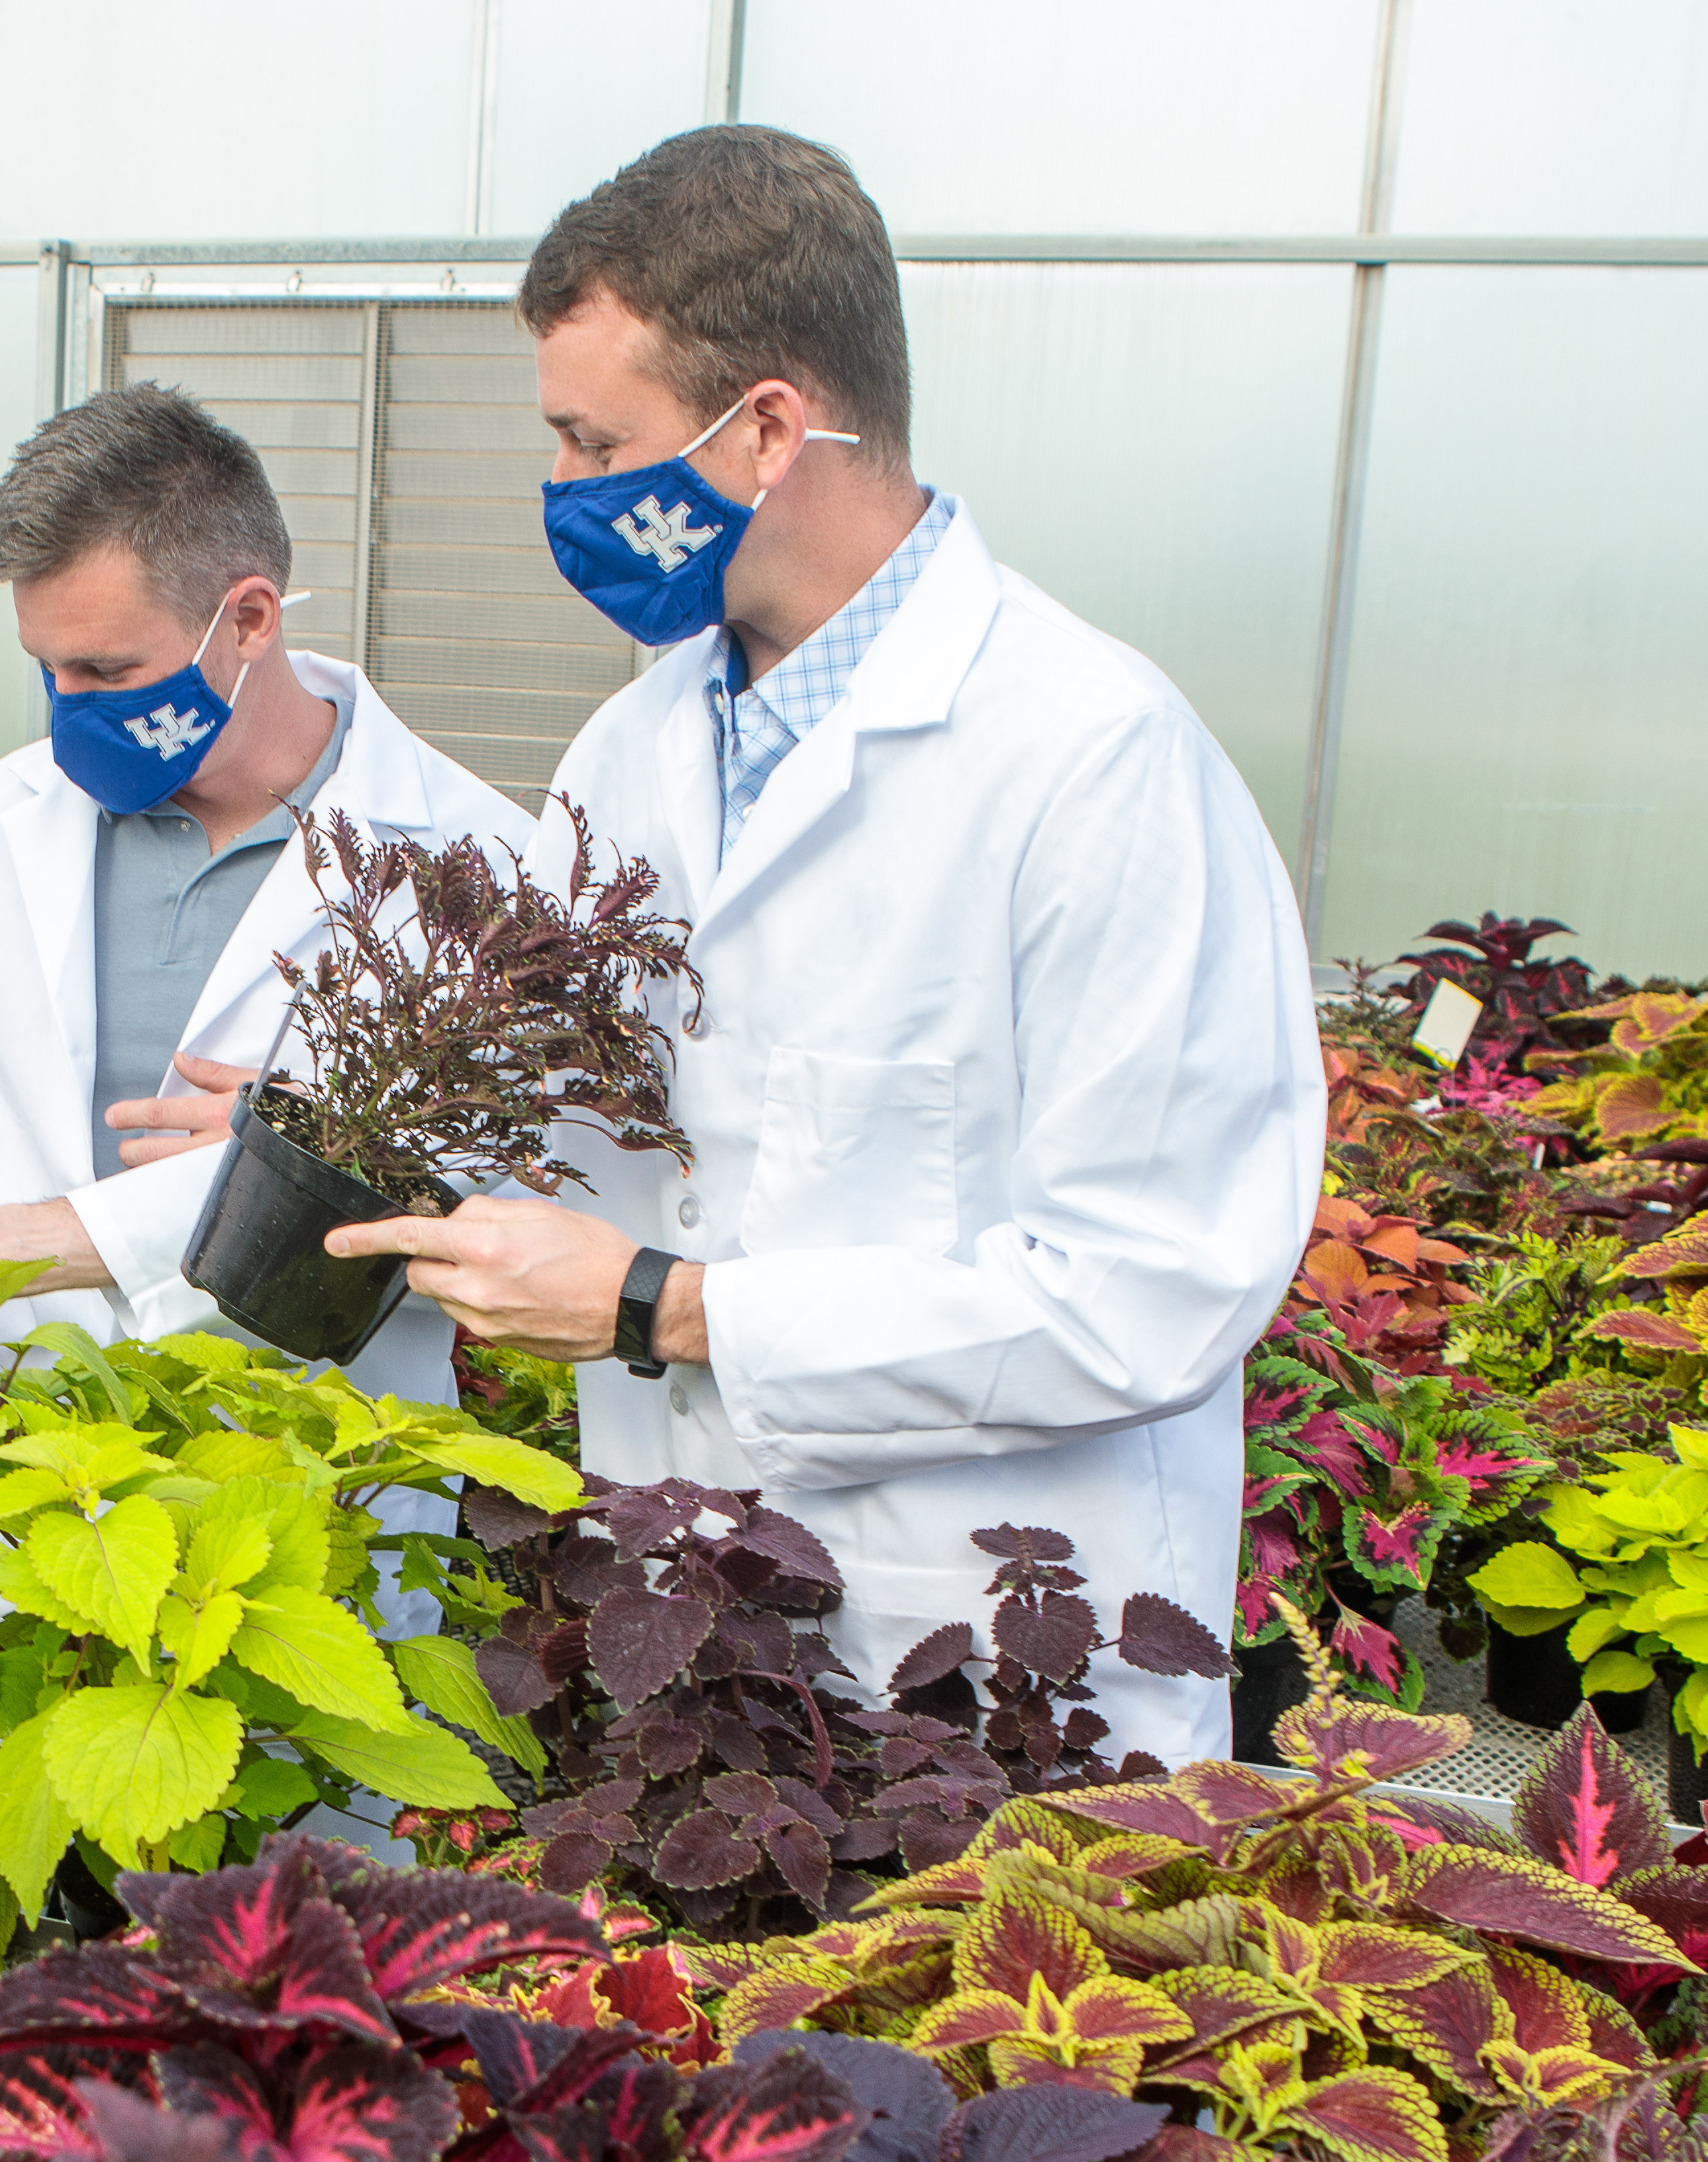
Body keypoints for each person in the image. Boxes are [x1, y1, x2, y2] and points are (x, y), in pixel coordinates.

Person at [321, 127, 1323, 1762]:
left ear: (769, 426)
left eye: (596, 442)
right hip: (690, 1621)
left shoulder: (1090, 754)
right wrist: (372, 1127)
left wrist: (668, 1304)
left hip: (999, 1655)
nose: (567, 494)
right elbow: (617, 1145)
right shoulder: (630, 755)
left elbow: (1152, 1284)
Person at [0, 385, 536, 1408]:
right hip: (16, 1442)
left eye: (108, 669)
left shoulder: (476, 862)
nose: (71, 712)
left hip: (305, 1458)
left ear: (250, 619)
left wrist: (310, 1151)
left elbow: (509, 1196)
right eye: (47, 670)